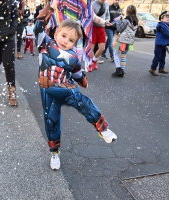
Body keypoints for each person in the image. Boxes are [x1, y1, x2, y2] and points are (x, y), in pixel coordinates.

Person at [35, 2, 117, 170]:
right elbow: (38, 25)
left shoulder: (73, 57)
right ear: (57, 32)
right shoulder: (45, 43)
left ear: (75, 44)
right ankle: (54, 153)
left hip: (65, 88)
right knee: (51, 121)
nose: (66, 41)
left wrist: (83, 81)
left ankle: (103, 129)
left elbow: (77, 73)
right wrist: (49, 8)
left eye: (71, 40)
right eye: (64, 36)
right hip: (47, 92)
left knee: (82, 101)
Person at [149, 11, 169, 76]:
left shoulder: (167, 25)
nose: (168, 18)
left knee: (163, 57)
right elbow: (166, 34)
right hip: (159, 44)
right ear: (161, 19)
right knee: (157, 57)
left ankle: (161, 68)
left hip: (164, 44)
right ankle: (153, 69)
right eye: (166, 17)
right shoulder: (161, 26)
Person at [111, 5, 138, 77]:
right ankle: (122, 71)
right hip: (129, 41)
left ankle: (118, 69)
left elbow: (120, 29)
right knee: (123, 55)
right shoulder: (136, 21)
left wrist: (118, 21)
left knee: (116, 53)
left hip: (122, 41)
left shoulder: (126, 19)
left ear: (127, 11)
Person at [88, 0, 110, 72]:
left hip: (102, 28)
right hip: (94, 27)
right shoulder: (93, 4)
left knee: (102, 48)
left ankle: (94, 60)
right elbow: (91, 16)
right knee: (92, 47)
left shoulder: (106, 4)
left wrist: (107, 21)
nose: (103, 1)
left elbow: (107, 15)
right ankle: (90, 64)